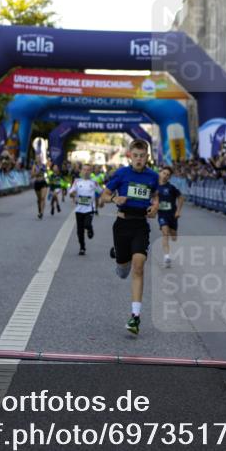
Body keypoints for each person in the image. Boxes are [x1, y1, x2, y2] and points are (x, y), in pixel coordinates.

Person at [99, 139, 159, 335]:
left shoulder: (153, 176)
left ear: (147, 157)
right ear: (130, 156)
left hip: (141, 225)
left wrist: (155, 207)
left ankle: (135, 317)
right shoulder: (122, 174)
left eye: (142, 156)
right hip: (122, 225)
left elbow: (156, 196)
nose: (139, 159)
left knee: (139, 266)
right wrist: (115, 198)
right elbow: (104, 195)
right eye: (136, 156)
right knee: (123, 270)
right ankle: (118, 257)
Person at [68, 164, 102, 255]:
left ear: (91, 172)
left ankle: (90, 228)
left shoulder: (94, 182)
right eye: (84, 170)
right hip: (79, 209)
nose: (86, 172)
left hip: (89, 209)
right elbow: (71, 192)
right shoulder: (77, 182)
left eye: (88, 170)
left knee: (87, 224)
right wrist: (72, 194)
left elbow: (101, 191)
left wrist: (102, 201)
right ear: (81, 171)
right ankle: (82, 247)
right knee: (80, 231)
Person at [156, 166, 184, 268]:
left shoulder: (171, 188)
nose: (165, 176)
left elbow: (181, 198)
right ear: (160, 173)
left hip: (172, 215)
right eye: (164, 173)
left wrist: (178, 211)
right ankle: (167, 256)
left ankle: (173, 235)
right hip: (162, 215)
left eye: (167, 175)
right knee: (165, 233)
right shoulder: (155, 187)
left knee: (174, 237)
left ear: (169, 177)